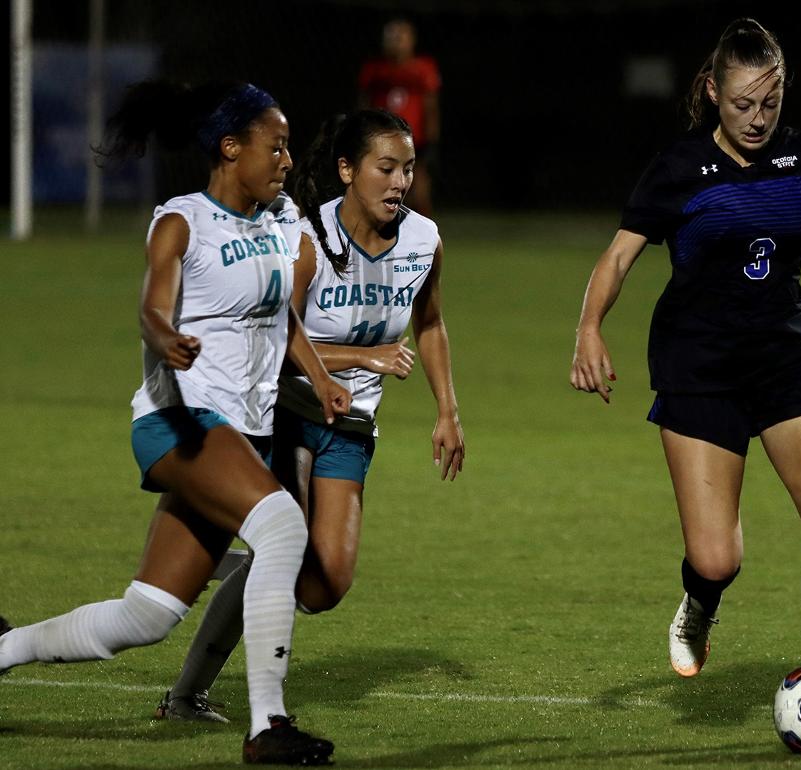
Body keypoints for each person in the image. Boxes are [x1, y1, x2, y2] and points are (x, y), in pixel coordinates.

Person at [569, 18, 801, 750]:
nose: (757, 118)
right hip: (698, 364)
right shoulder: (678, 168)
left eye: (768, 104)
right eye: (742, 104)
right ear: (712, 92)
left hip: (784, 358)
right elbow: (616, 260)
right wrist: (588, 328)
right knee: (718, 558)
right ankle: (700, 603)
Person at [0, 81, 348, 766]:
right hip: (178, 421)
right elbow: (152, 306)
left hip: (238, 434)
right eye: (273, 146)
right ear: (230, 148)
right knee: (282, 526)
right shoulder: (182, 220)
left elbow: (284, 318)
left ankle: (2, 649)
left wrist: (322, 375)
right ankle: (267, 725)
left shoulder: (281, 219)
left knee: (147, 615)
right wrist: (163, 338)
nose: (285, 159)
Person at [153, 108, 465, 724]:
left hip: (351, 429)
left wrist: (448, 410)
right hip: (289, 414)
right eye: (385, 168)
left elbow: (429, 323)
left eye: (407, 168)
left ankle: (215, 553)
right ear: (349, 170)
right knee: (286, 545)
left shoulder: (424, 239)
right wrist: (363, 357)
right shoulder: (306, 241)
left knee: (325, 587)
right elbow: (273, 342)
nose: (400, 181)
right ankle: (186, 696)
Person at [358, 17, 441, 216]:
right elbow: (363, 102)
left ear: (412, 40)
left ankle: (422, 230)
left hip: (413, 139)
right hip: (379, 139)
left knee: (418, 187)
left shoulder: (423, 68)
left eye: (401, 37)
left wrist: (432, 138)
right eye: (392, 37)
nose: (396, 42)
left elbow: (431, 105)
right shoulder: (375, 69)